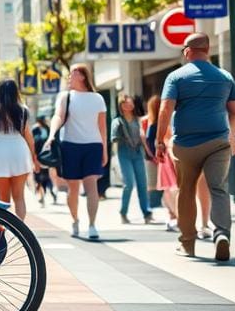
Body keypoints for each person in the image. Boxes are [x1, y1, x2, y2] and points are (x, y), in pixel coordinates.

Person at [155, 33, 235, 261]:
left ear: (187, 51)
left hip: (186, 144)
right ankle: (222, 234)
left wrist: (158, 141)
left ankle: (188, 244)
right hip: (218, 143)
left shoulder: (176, 77)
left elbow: (165, 110)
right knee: (219, 189)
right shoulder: (225, 77)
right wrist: (231, 135)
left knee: (186, 191)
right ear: (207, 49)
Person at [43, 63, 107, 240]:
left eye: (72, 74)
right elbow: (58, 116)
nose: (69, 77)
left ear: (83, 76)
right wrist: (52, 135)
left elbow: (102, 127)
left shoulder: (97, 98)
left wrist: (105, 150)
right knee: (73, 188)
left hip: (93, 146)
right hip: (70, 146)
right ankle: (75, 220)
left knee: (91, 186)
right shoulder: (65, 96)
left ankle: (92, 225)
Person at [0, 79, 40, 220]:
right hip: (19, 151)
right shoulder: (23, 110)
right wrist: (34, 159)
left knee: (3, 198)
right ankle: (21, 232)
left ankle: (4, 232)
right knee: (19, 197)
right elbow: (29, 138)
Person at [111, 93, 154, 225]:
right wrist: (118, 134)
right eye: (125, 103)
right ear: (121, 106)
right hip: (124, 153)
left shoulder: (139, 120)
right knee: (129, 184)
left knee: (142, 184)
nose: (128, 105)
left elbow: (145, 137)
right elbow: (113, 138)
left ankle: (147, 213)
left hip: (138, 153)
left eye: (130, 103)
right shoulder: (117, 121)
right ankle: (123, 212)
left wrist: (149, 152)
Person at [148, 94, 179, 232]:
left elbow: (151, 140)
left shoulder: (155, 122)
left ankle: (173, 216)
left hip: (165, 157)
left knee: (169, 188)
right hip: (168, 156)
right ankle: (175, 216)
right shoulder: (164, 121)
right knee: (172, 188)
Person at [31, 114, 56, 206]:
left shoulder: (47, 129)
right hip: (37, 156)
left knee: (44, 177)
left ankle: (48, 194)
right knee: (39, 177)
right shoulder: (35, 130)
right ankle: (44, 196)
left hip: (46, 157)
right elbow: (32, 144)